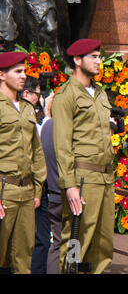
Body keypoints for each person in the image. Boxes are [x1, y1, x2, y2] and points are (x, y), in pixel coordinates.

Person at [52, 38, 115, 273]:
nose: (99, 61)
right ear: (77, 60)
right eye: (93, 57)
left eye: (100, 57)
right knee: (77, 241)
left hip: (106, 178)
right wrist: (69, 185)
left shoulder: (99, 93)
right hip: (83, 178)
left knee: (102, 244)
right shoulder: (66, 95)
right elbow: (62, 145)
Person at [0, 51, 47, 273]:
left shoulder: (28, 108)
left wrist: (37, 190)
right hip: (3, 191)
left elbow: (37, 152)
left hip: (27, 192)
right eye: (17, 71)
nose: (23, 76)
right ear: (1, 74)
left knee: (23, 256)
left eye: (24, 71)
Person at [19, 76, 51, 274]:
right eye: (38, 95)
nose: (40, 100)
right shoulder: (25, 114)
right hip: (25, 185)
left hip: (33, 186)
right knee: (39, 240)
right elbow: (40, 145)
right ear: (27, 94)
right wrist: (47, 114)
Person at [38, 93, 61, 274]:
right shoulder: (60, 129)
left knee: (58, 244)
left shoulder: (45, 128)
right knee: (75, 243)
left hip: (52, 193)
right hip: (66, 194)